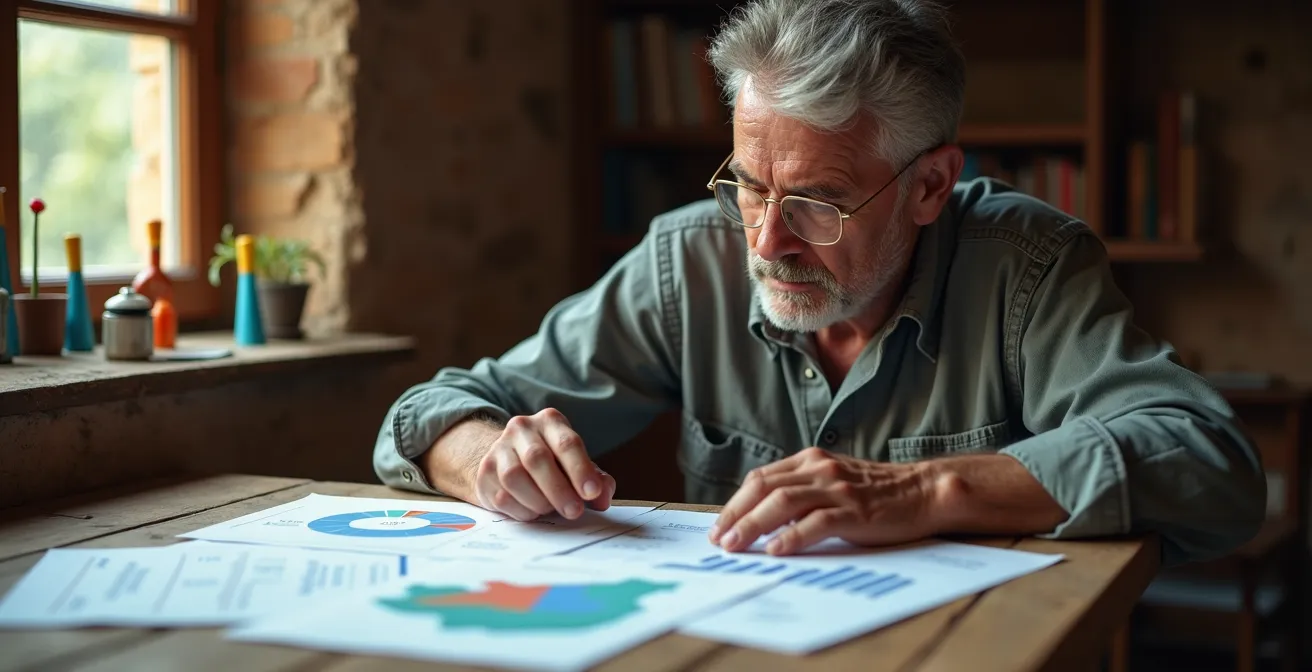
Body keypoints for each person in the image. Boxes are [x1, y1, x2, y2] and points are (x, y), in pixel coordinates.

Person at [373, 0, 1265, 567]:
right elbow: (429, 414)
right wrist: (492, 461)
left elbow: (1208, 463)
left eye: (818, 203)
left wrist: (923, 492)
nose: (767, 240)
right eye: (749, 185)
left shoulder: (1026, 266)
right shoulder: (687, 263)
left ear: (929, 186)